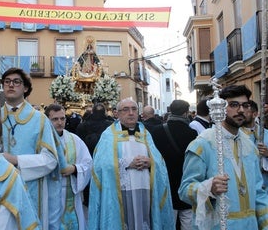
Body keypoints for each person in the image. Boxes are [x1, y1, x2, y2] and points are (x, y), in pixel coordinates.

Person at [178, 85, 268, 229]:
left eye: (245, 105)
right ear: (221, 108)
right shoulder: (203, 144)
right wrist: (209, 188)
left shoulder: (250, 147)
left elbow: (259, 193)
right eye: (233, 105)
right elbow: (184, 191)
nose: (241, 110)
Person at [88, 98, 174, 230]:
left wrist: (151, 162)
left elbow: (159, 162)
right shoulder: (109, 135)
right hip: (120, 192)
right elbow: (100, 165)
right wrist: (127, 163)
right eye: (126, 109)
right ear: (117, 113)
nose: (131, 113)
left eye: (134, 109)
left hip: (145, 188)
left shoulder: (146, 134)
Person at [0, 67, 66, 229]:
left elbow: (51, 159)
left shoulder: (39, 120)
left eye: (16, 82)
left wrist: (17, 160)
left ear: (26, 88)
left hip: (32, 189)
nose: (11, 85)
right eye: (7, 82)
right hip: (0, 188)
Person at [150, 99, 198, 230]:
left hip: (165, 181)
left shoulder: (157, 131)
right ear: (185, 113)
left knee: (168, 219)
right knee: (187, 219)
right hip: (184, 179)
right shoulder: (192, 133)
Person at [45, 104, 92, 230]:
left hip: (70, 193)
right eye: (55, 119)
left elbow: (88, 163)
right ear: (47, 120)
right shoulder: (41, 140)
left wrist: (74, 168)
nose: (60, 122)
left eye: (62, 118)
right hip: (47, 193)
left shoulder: (74, 139)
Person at [76, 102, 113, 207]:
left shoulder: (82, 125)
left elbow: (78, 142)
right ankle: (104, 198)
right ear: (104, 112)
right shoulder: (110, 126)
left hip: (87, 155)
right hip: (104, 156)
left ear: (92, 112)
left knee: (88, 177)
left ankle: (87, 199)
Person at [241, 100, 268, 189]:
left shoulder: (265, 134)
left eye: (246, 112)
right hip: (245, 184)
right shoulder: (236, 135)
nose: (242, 114)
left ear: (254, 114)